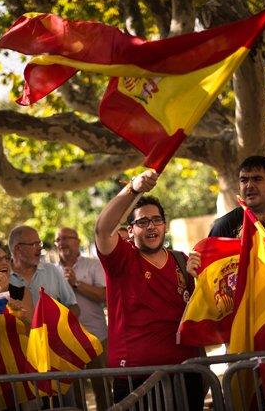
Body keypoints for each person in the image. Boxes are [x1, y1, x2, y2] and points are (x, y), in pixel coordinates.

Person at [94, 169, 203, 409]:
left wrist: (202, 279)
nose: (151, 226)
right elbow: (102, 229)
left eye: (156, 220)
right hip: (136, 379)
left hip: (186, 373)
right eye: (142, 222)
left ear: (165, 225)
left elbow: (201, 312)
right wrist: (133, 188)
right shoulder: (121, 258)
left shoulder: (182, 261)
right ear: (130, 230)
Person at [56, 227, 109, 411]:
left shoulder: (93, 265)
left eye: (66, 238)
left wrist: (76, 283)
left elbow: (104, 295)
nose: (62, 243)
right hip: (67, 341)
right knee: (74, 392)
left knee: (102, 387)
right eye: (58, 239)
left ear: (77, 241)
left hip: (96, 336)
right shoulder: (52, 271)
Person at [8, 226, 79, 317]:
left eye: (39, 244)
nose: (40, 248)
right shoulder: (3, 277)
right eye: (34, 244)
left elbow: (74, 306)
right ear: (18, 248)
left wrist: (59, 324)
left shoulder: (52, 271)